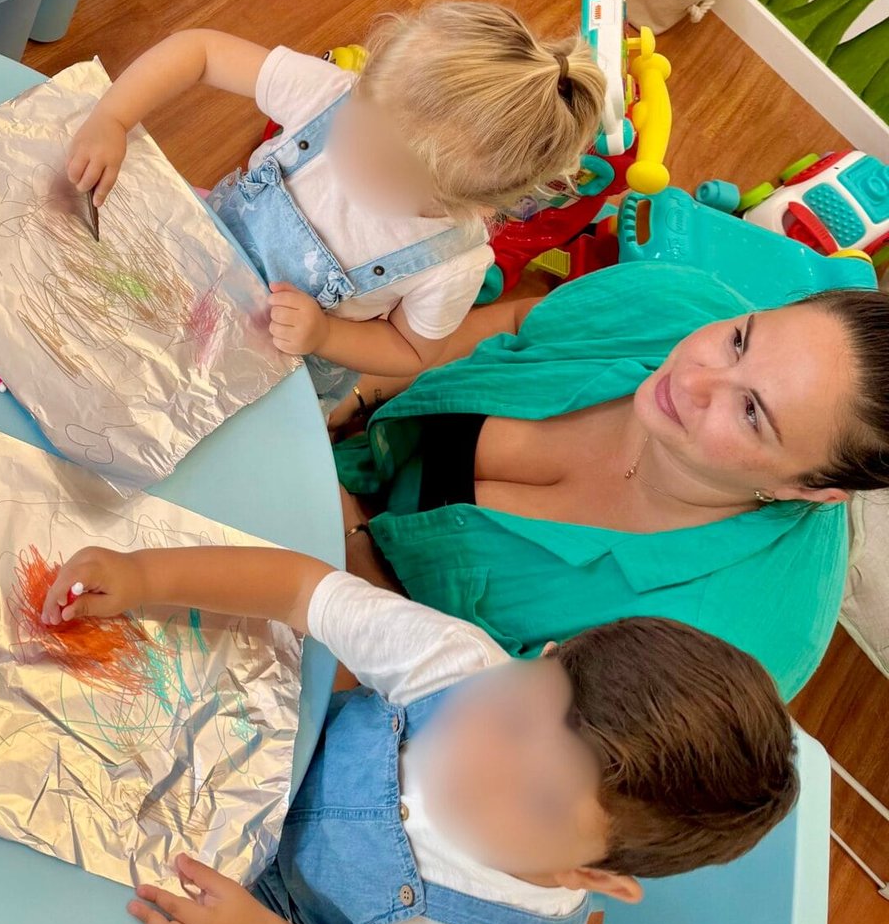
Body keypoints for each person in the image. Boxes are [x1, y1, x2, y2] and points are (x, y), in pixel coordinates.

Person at [40, 544, 796, 924]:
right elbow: (303, 590)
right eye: (514, 713)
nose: (480, 761)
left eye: (539, 800)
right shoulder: (454, 664)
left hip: (253, 920)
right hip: (227, 750)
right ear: (545, 655)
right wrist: (145, 577)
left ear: (591, 878)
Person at [335, 266, 889, 696]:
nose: (694, 379)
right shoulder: (675, 302)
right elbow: (522, 322)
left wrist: (348, 541)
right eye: (740, 342)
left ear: (810, 490)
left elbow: (466, 719)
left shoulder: (700, 655)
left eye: (750, 412)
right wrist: (353, 392)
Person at [68, 10, 604, 405]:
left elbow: (412, 350)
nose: (349, 144)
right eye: (359, 117)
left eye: (378, 160)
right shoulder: (329, 93)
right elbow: (200, 51)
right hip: (189, 261)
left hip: (264, 365)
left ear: (464, 202)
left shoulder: (454, 262)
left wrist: (326, 336)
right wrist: (113, 117)